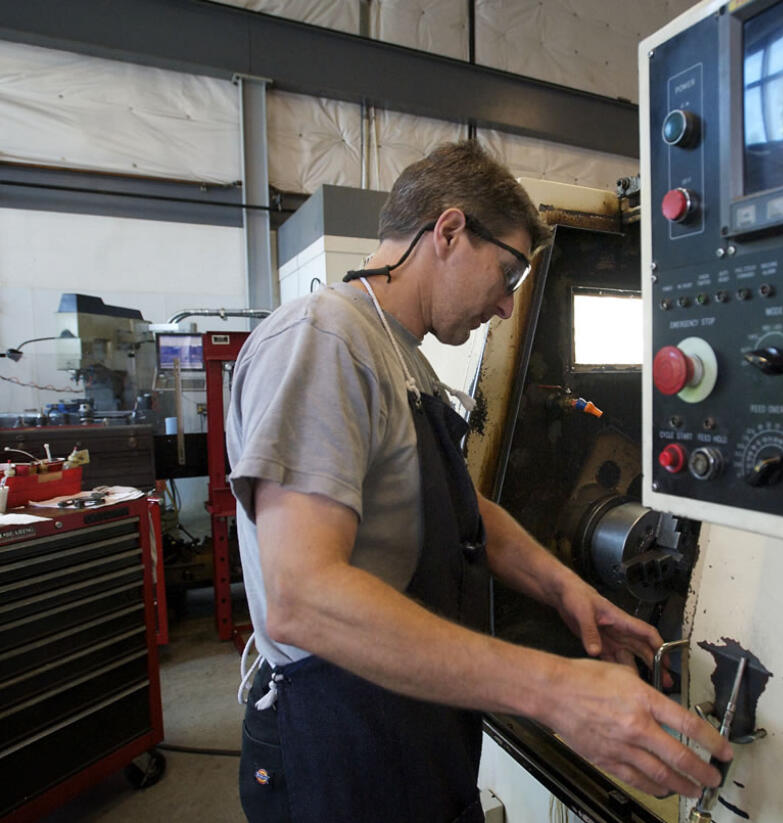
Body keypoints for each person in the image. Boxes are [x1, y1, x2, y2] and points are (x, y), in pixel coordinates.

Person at [226, 140, 731, 823]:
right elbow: (301, 596)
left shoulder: (401, 359)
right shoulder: (325, 339)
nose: (504, 306)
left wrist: (568, 590)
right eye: (508, 273)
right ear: (450, 231)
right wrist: (556, 690)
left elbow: (463, 510)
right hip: (338, 744)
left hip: (406, 725)